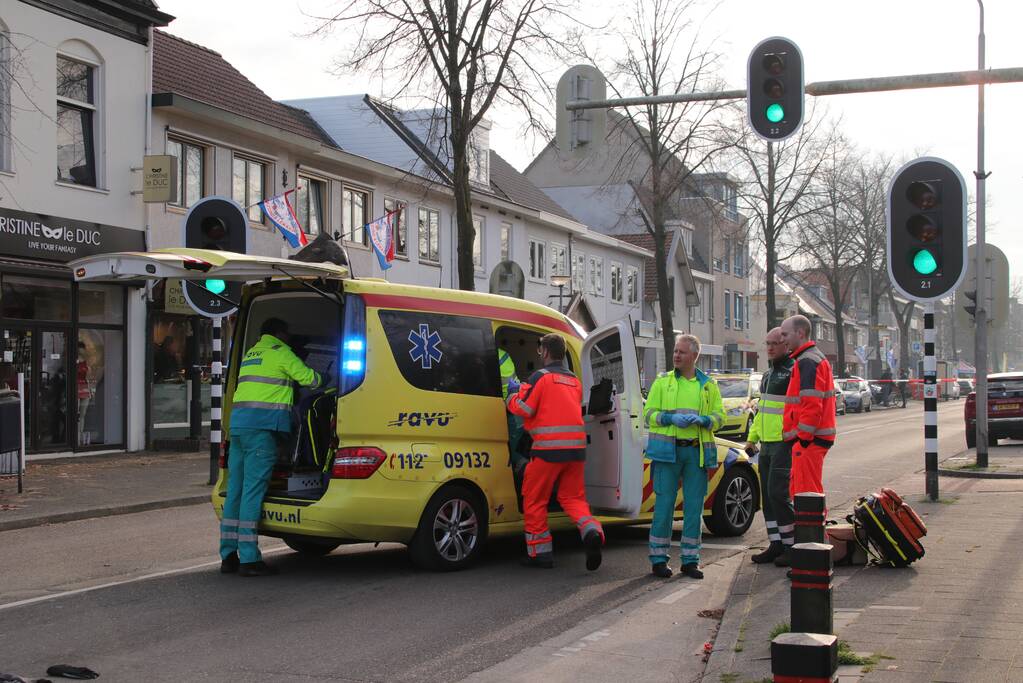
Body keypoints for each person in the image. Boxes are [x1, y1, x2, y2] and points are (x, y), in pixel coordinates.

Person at [220, 317, 325, 577]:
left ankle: (228, 555)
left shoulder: (251, 353)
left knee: (235, 489)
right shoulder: (281, 353)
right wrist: (326, 376)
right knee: (252, 492)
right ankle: (249, 559)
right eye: (287, 333)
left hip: (239, 428)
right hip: (261, 430)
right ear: (279, 333)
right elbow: (310, 379)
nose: (289, 337)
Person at [506, 333, 604, 571]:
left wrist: (511, 395)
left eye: (540, 351)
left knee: (535, 498)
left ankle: (541, 554)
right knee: (573, 498)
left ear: (546, 352)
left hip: (547, 451)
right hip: (576, 451)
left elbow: (524, 409)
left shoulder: (539, 377)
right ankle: (592, 531)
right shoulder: (574, 381)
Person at [643, 334, 724, 579]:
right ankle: (658, 559)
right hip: (667, 452)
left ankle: (691, 561)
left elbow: (720, 418)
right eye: (675, 351)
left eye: (682, 352)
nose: (676, 355)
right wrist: (670, 418)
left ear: (694, 356)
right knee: (664, 507)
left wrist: (705, 420)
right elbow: (648, 415)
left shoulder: (708, 385)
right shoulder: (662, 382)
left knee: (693, 508)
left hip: (695, 453)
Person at [745, 328, 795, 566]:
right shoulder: (767, 375)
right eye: (768, 344)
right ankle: (776, 543)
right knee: (767, 496)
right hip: (765, 445)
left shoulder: (793, 371)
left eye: (775, 343)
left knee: (778, 494)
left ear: (786, 345)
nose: (771, 348)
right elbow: (761, 411)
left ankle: (791, 545)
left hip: (784, 443)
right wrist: (751, 438)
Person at [779, 315, 836, 509]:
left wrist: (803, 437)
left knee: (807, 495)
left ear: (800, 333)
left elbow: (811, 404)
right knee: (807, 492)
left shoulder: (807, 361)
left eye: (785, 334)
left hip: (809, 441)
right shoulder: (809, 359)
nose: (782, 339)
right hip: (812, 439)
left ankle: (812, 538)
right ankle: (811, 536)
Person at [76, 341, 93, 446]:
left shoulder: (87, 362)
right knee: (76, 414)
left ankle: (80, 437)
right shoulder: (74, 361)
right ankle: (75, 438)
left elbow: (89, 377)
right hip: (76, 389)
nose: (82, 350)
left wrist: (90, 390)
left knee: (82, 415)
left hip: (84, 389)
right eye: (80, 348)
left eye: (83, 348)